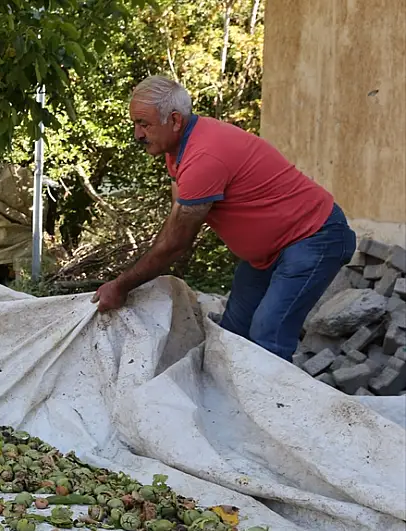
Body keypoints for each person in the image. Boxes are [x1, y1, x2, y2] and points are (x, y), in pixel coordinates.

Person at [92, 75, 357, 361]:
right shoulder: (177, 150)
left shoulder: (204, 156)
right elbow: (176, 221)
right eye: (135, 124)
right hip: (269, 252)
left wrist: (120, 286)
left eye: (144, 124)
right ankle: (233, 403)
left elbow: (176, 243)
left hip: (315, 237)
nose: (137, 134)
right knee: (234, 332)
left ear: (176, 121)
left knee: (268, 334)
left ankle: (271, 406)